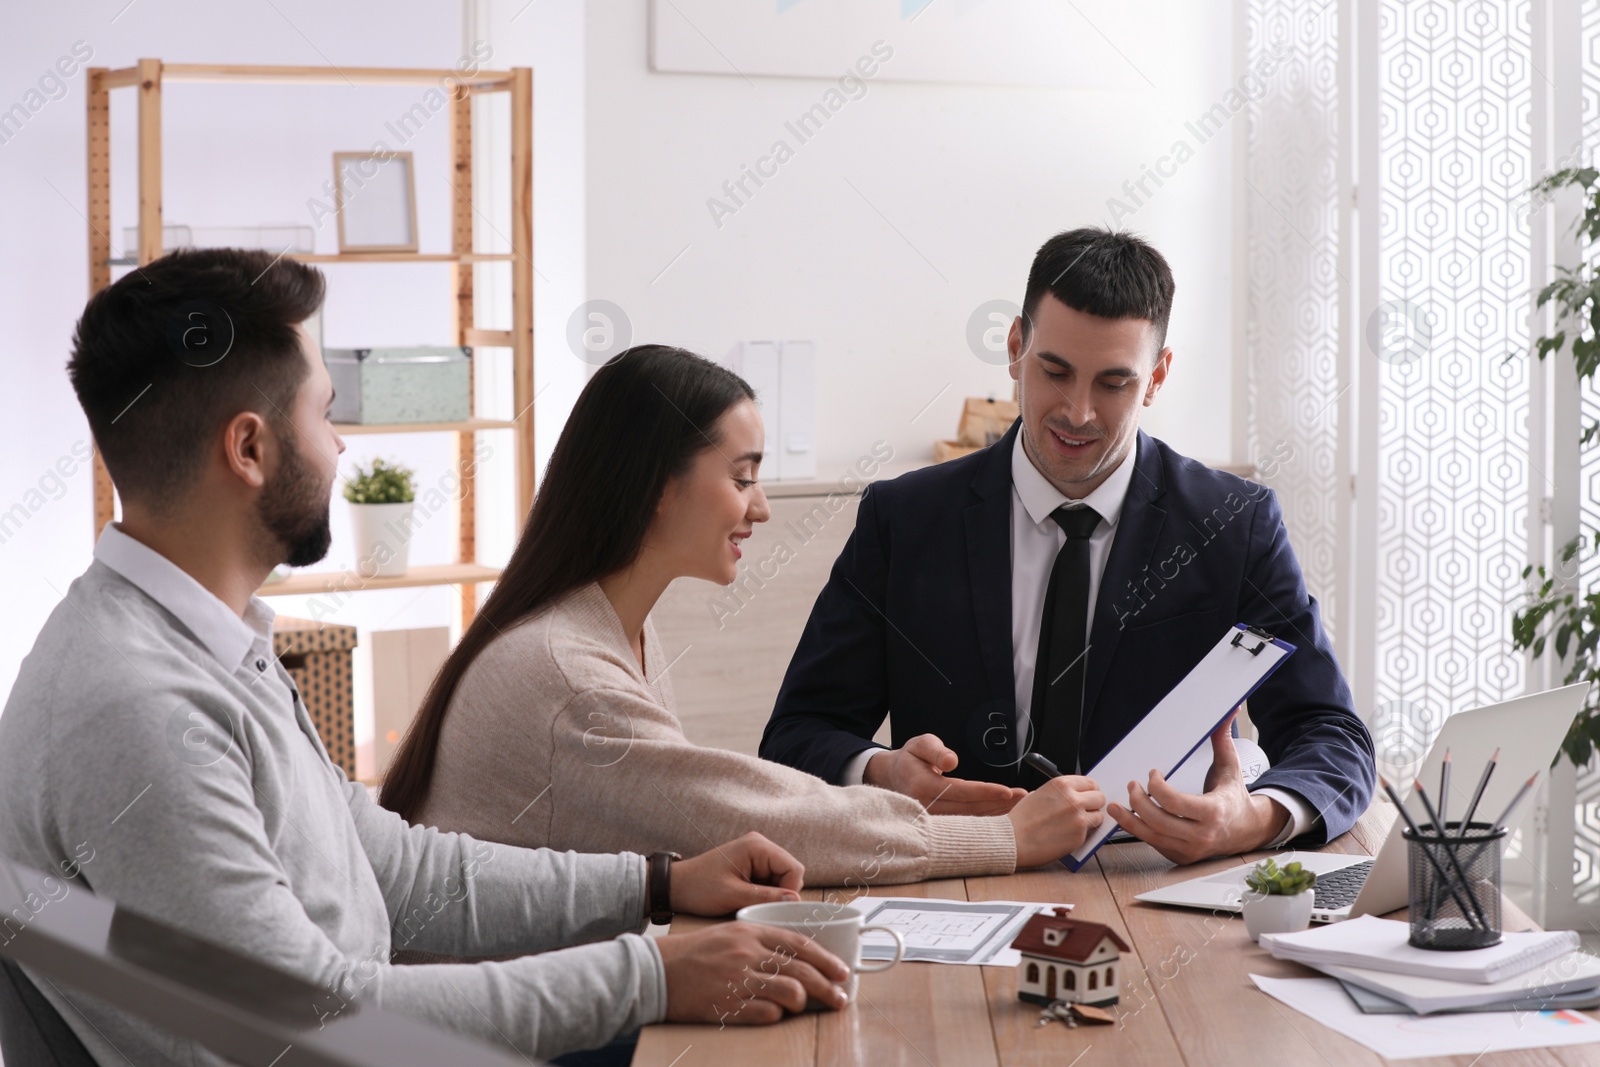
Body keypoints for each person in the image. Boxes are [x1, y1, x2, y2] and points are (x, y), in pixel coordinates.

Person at [0, 249, 857, 1067]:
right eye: (326, 413)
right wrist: (654, 975)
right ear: (250, 448)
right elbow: (303, 1025)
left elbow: (399, 867)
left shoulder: (211, 647)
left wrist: (657, 884)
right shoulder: (139, 707)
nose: (342, 449)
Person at [760, 227, 1376, 865]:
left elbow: (1332, 734)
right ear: (1014, 348)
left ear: (1157, 377)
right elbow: (794, 737)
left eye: (1113, 383)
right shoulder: (904, 520)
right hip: (961, 875)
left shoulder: (1234, 523)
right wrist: (880, 772)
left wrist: (1253, 818)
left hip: (1157, 882)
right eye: (1054, 372)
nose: (1077, 412)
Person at [379, 345, 1106, 884]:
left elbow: (720, 806)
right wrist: (1006, 838)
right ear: (655, 486)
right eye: (741, 477)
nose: (759, 506)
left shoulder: (611, 628)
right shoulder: (569, 675)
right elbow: (749, 816)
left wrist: (886, 777)